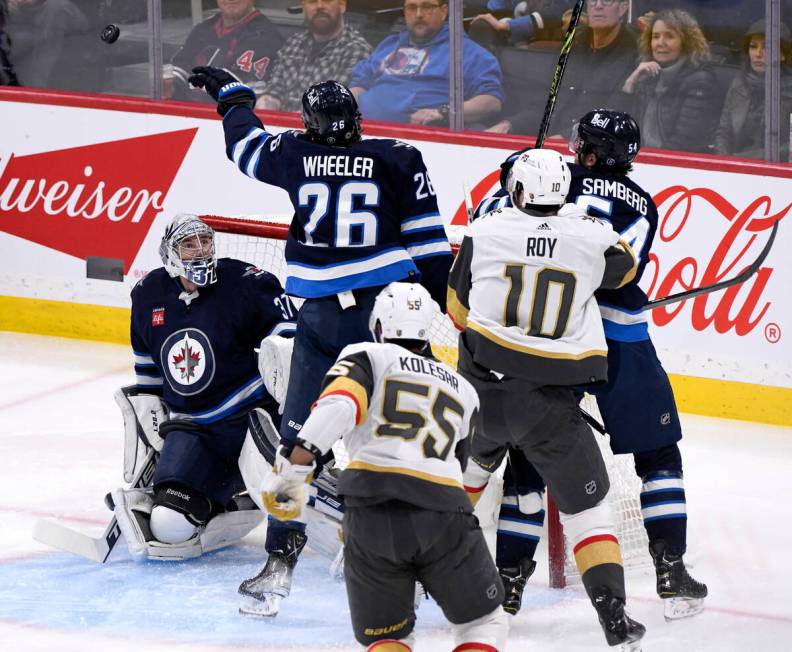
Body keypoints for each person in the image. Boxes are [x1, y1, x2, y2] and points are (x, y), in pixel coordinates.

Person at [188, 67, 454, 615]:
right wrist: (457, 312)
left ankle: (279, 565)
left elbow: (244, 146)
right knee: (409, 443)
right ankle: (426, 562)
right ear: (357, 121)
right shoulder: (400, 157)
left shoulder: (292, 153)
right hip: (387, 321)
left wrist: (233, 97)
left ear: (308, 124)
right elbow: (429, 248)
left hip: (321, 323)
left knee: (299, 445)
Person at [474, 109, 709, 622]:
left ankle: (508, 582)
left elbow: (488, 223)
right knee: (658, 456)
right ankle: (671, 571)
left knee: (530, 457)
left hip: (556, 338)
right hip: (620, 334)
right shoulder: (644, 203)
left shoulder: (543, 175)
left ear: (587, 150)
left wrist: (509, 172)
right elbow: (618, 274)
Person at [449, 148, 645, 648]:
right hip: (547, 408)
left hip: (479, 398)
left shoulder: (484, 229)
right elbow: (625, 271)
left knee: (457, 492)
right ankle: (613, 614)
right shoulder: (592, 234)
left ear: (516, 189)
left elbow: (456, 307)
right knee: (589, 510)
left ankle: (432, 585)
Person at [260, 282, 508, 652]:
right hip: (443, 510)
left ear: (378, 325)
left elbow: (339, 408)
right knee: (483, 622)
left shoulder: (366, 355)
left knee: (389, 637)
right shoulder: (463, 388)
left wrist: (293, 472)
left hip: (370, 511)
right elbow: (458, 470)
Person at [112, 213, 297, 561]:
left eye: (205, 241)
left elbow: (289, 335)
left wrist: (285, 360)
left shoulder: (244, 281)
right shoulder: (148, 294)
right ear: (169, 252)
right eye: (188, 243)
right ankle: (236, 504)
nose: (199, 251)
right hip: (193, 429)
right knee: (169, 525)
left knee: (293, 498)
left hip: (251, 419)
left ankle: (273, 490)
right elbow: (148, 372)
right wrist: (152, 419)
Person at [487, 0, 636, 136]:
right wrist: (510, 124)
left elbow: (614, 117)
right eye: (592, 0)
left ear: (623, 7)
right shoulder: (572, 45)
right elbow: (544, 104)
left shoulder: (632, 54)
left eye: (607, 1)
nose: (598, 5)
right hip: (549, 144)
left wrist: (566, 137)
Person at [348, 0, 504, 126]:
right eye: (411, 7)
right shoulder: (389, 44)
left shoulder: (469, 52)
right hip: (362, 131)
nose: (418, 14)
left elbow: (491, 102)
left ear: (444, 11)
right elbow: (359, 83)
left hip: (422, 139)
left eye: (427, 7)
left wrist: (443, 113)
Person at [620, 9, 718, 153]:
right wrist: (630, 83)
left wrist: (645, 160)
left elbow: (684, 141)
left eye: (669, 36)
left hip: (674, 166)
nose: (660, 43)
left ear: (686, 42)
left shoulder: (700, 81)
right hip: (643, 159)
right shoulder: (649, 75)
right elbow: (622, 126)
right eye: (655, 36)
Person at [255, 0, 372, 112]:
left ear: (342, 5)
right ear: (304, 7)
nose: (319, 6)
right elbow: (274, 91)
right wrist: (265, 106)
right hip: (279, 127)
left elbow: (333, 107)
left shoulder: (356, 50)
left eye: (327, 0)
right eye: (312, 1)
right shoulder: (293, 43)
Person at [170, 0, 282, 103]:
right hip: (185, 113)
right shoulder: (204, 28)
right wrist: (169, 84)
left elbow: (228, 90)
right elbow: (180, 68)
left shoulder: (265, 36)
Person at [714, 19, 792, 161]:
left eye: (767, 47)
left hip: (777, 172)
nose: (758, 54)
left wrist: (752, 159)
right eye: (753, 47)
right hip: (734, 168)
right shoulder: (738, 85)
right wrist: (724, 163)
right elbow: (723, 133)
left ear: (782, 54)